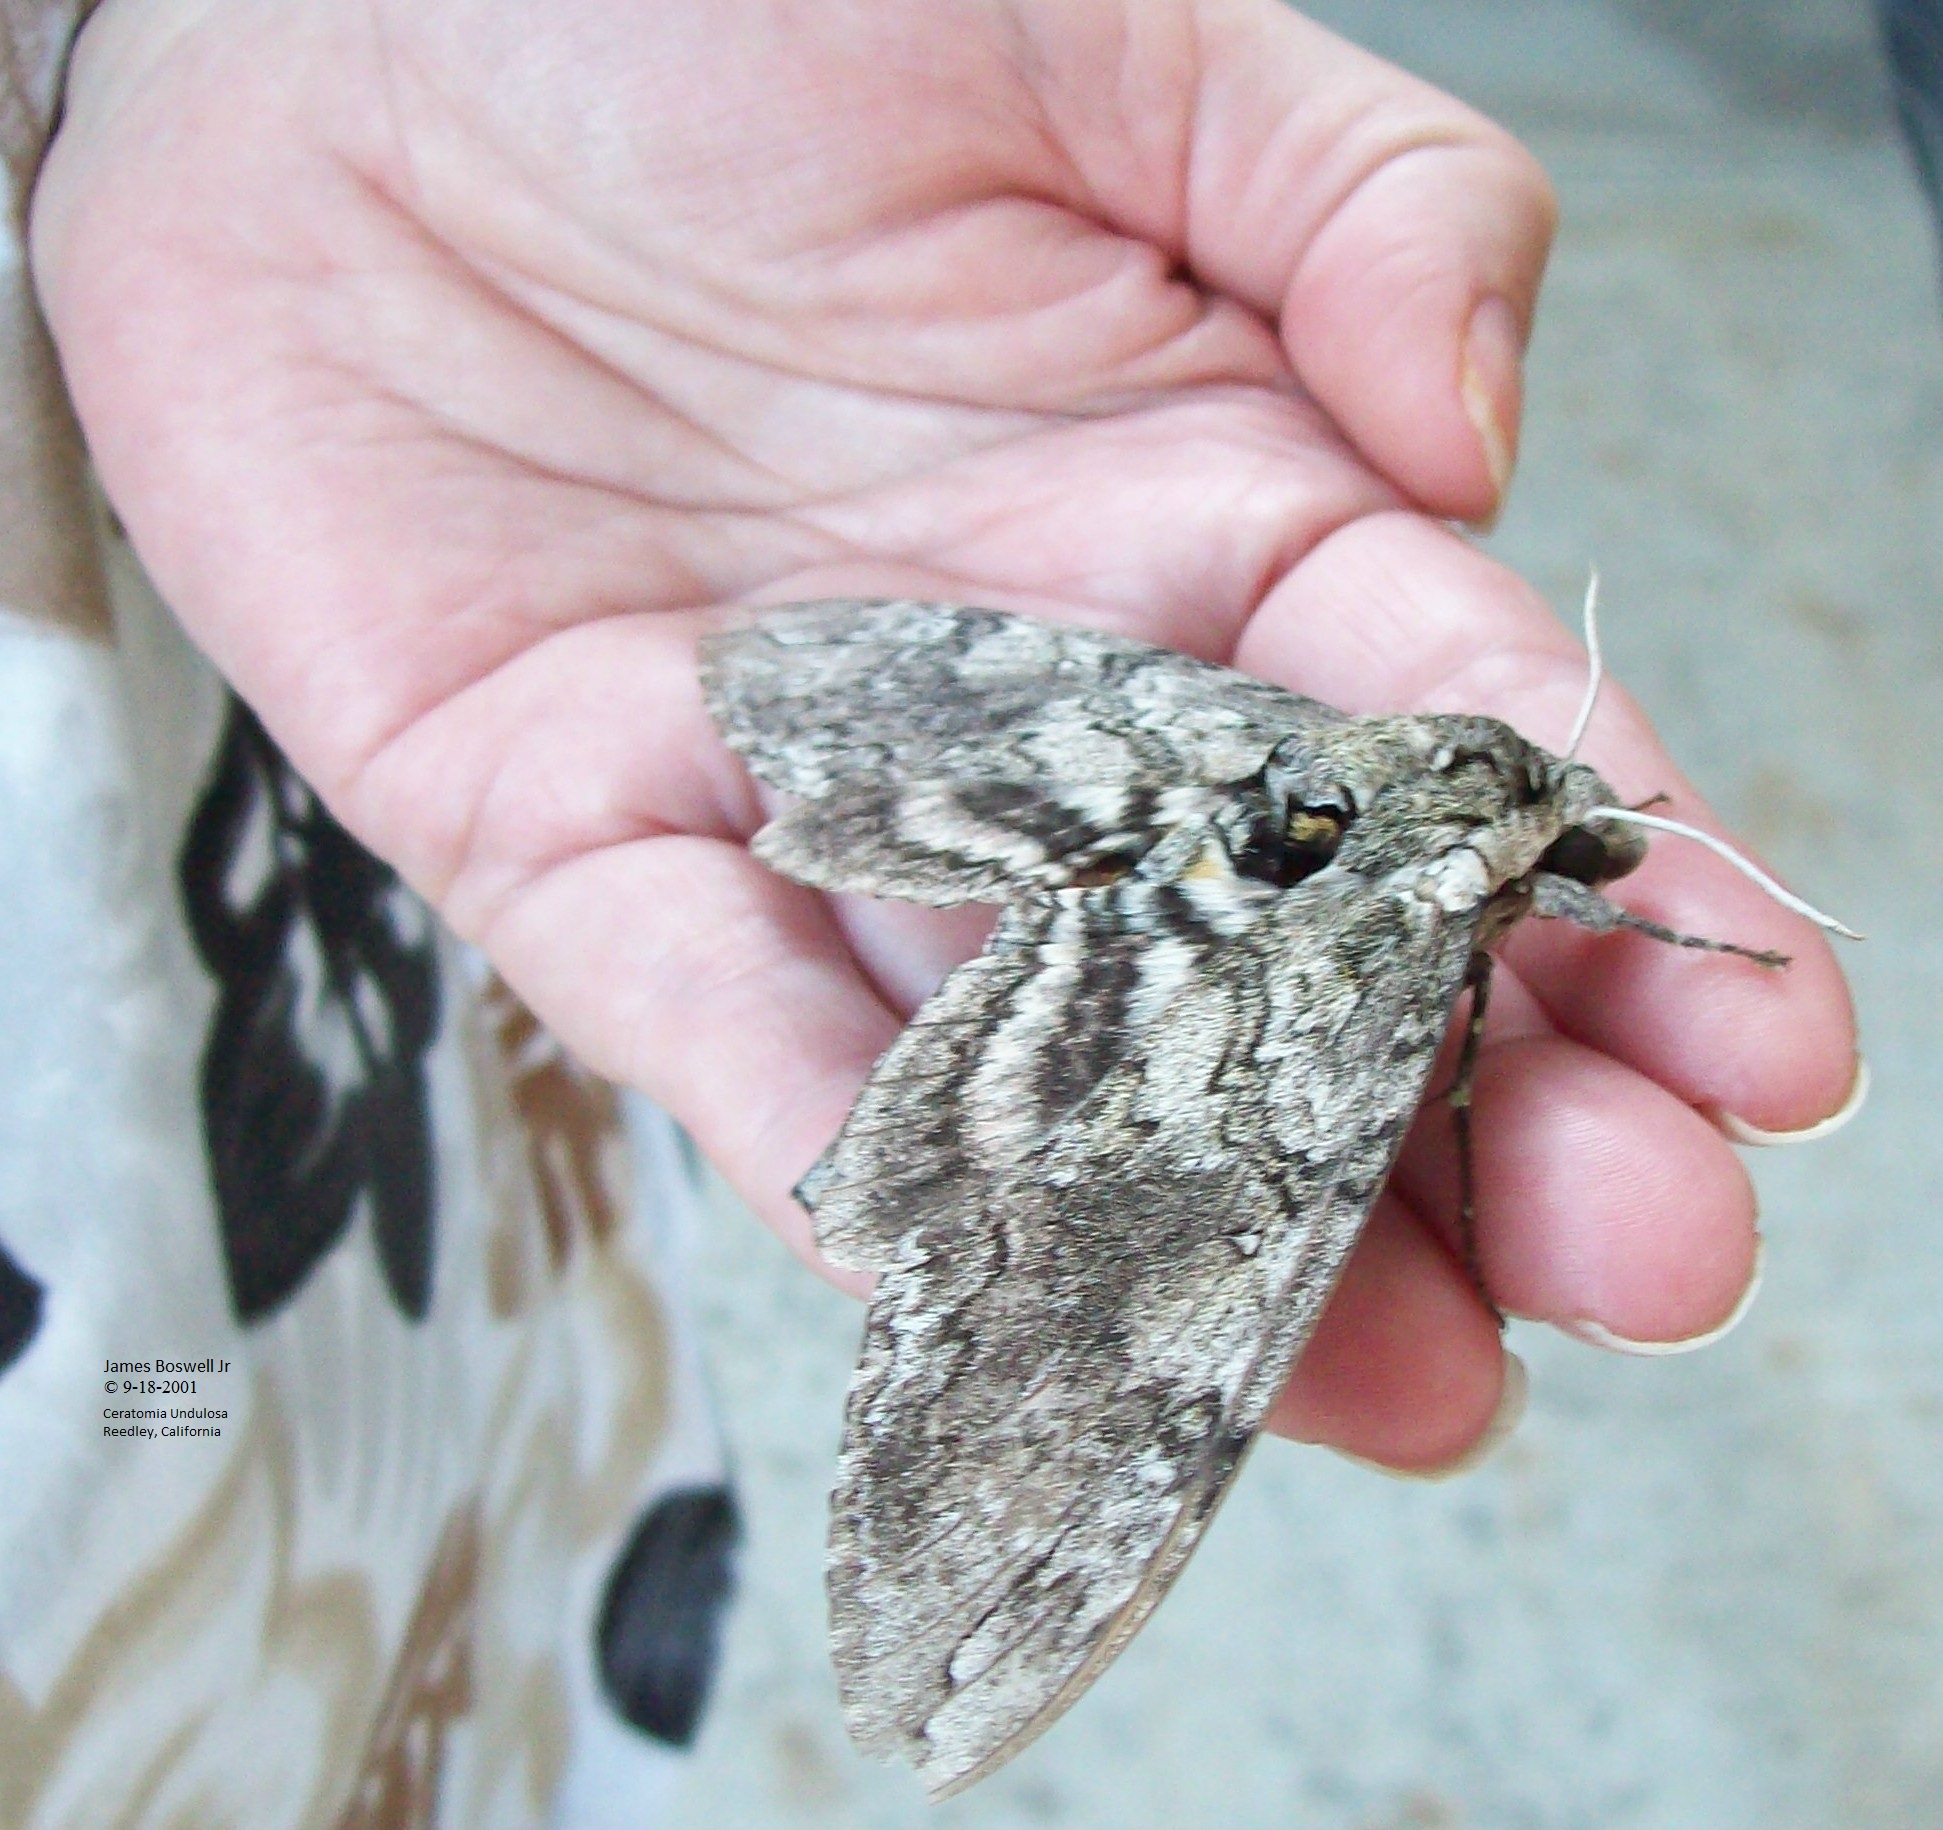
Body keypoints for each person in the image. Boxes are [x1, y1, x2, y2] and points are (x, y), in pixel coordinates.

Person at [2, 1, 1859, 1821]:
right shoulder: (1447, 903)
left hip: (276, 731)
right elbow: (1449, 1061)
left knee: (360, 1478)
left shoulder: (1341, 753)